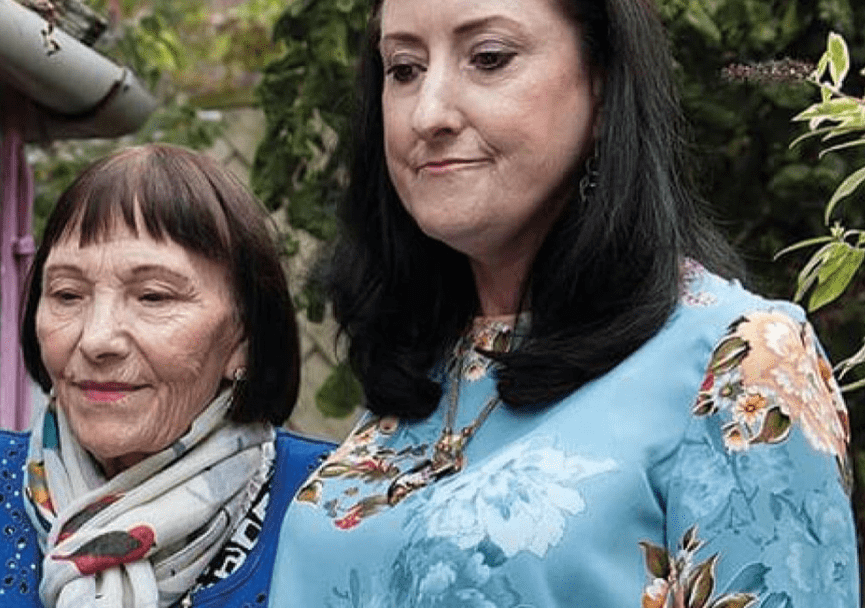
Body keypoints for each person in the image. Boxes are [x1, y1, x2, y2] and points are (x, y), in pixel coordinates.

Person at [268, 0, 859, 606]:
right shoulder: (427, 368)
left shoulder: (739, 363)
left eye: (489, 58)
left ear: (601, 88)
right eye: (404, 68)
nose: (429, 113)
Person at [0, 144, 331, 608]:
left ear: (242, 337)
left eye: (153, 297)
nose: (96, 339)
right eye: (67, 295)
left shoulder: (329, 504)